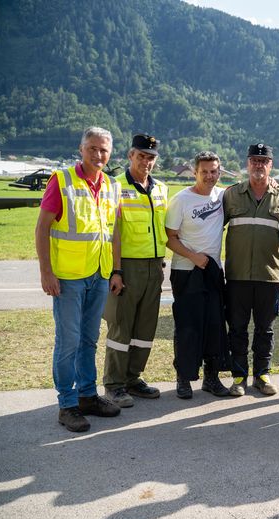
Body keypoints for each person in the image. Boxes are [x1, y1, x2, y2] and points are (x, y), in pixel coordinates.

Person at [35, 127, 122, 432]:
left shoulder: (112, 186)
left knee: (89, 340)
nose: (99, 155)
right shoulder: (62, 181)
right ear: (81, 149)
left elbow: (114, 232)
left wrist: (116, 270)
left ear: (110, 154)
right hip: (68, 278)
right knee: (68, 342)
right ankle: (67, 404)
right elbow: (42, 228)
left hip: (99, 274)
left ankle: (87, 396)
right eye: (93, 148)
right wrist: (46, 272)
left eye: (104, 150)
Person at [223, 143, 279, 397]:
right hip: (237, 276)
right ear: (247, 163)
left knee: (266, 329)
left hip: (270, 275)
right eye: (254, 160)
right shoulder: (231, 195)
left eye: (264, 161)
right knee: (238, 329)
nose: (259, 165)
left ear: (270, 165)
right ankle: (239, 377)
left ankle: (262, 375)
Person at [102, 133, 167, 408]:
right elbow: (113, 233)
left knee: (144, 327)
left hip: (155, 266)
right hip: (126, 267)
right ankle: (114, 384)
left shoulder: (161, 188)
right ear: (130, 156)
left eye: (151, 157)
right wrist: (116, 271)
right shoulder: (115, 186)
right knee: (121, 326)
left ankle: (133, 378)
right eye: (141, 156)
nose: (146, 161)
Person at [165, 151, 230, 399]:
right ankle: (183, 378)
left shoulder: (222, 196)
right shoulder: (181, 200)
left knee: (214, 324)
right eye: (204, 172)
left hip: (212, 271)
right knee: (188, 326)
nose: (209, 176)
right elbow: (170, 238)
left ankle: (211, 378)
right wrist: (193, 256)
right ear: (195, 172)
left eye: (214, 171)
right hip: (186, 270)